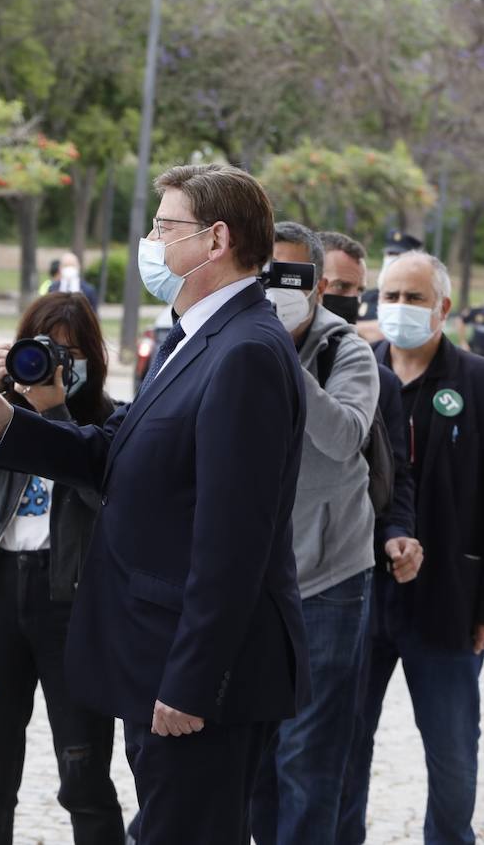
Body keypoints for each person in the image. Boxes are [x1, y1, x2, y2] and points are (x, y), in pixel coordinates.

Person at [0, 163, 310, 845]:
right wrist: (9, 423)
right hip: (155, 658)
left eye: (163, 227)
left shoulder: (245, 352)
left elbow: (232, 543)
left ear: (214, 241)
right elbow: (112, 454)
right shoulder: (191, 337)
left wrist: (191, 682)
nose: (151, 241)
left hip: (197, 680)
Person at [0, 292, 124, 845]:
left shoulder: (109, 423)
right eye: (41, 349)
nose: (53, 364)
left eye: (67, 353)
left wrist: (55, 414)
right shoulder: (2, 413)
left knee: (84, 781)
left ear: (90, 357)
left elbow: (103, 494)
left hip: (73, 606)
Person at [340, 251, 484, 845]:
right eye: (390, 296)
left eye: (414, 298)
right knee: (341, 757)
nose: (398, 308)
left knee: (453, 761)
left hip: (451, 604)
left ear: (443, 308)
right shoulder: (357, 375)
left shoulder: (476, 382)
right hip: (357, 601)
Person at [248, 222, 380, 844]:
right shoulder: (233, 341)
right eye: (265, 275)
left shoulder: (343, 350)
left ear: (320, 286)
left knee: (310, 757)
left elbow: (342, 437)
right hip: (252, 574)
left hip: (330, 577)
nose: (278, 288)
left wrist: (283, 358)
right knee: (256, 755)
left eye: (292, 278)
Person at [316, 230, 423, 845]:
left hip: (341, 587)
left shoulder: (371, 373)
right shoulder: (255, 355)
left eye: (357, 291)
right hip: (267, 581)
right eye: (335, 287)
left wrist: (397, 533)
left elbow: (393, 478)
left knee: (340, 746)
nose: (346, 300)